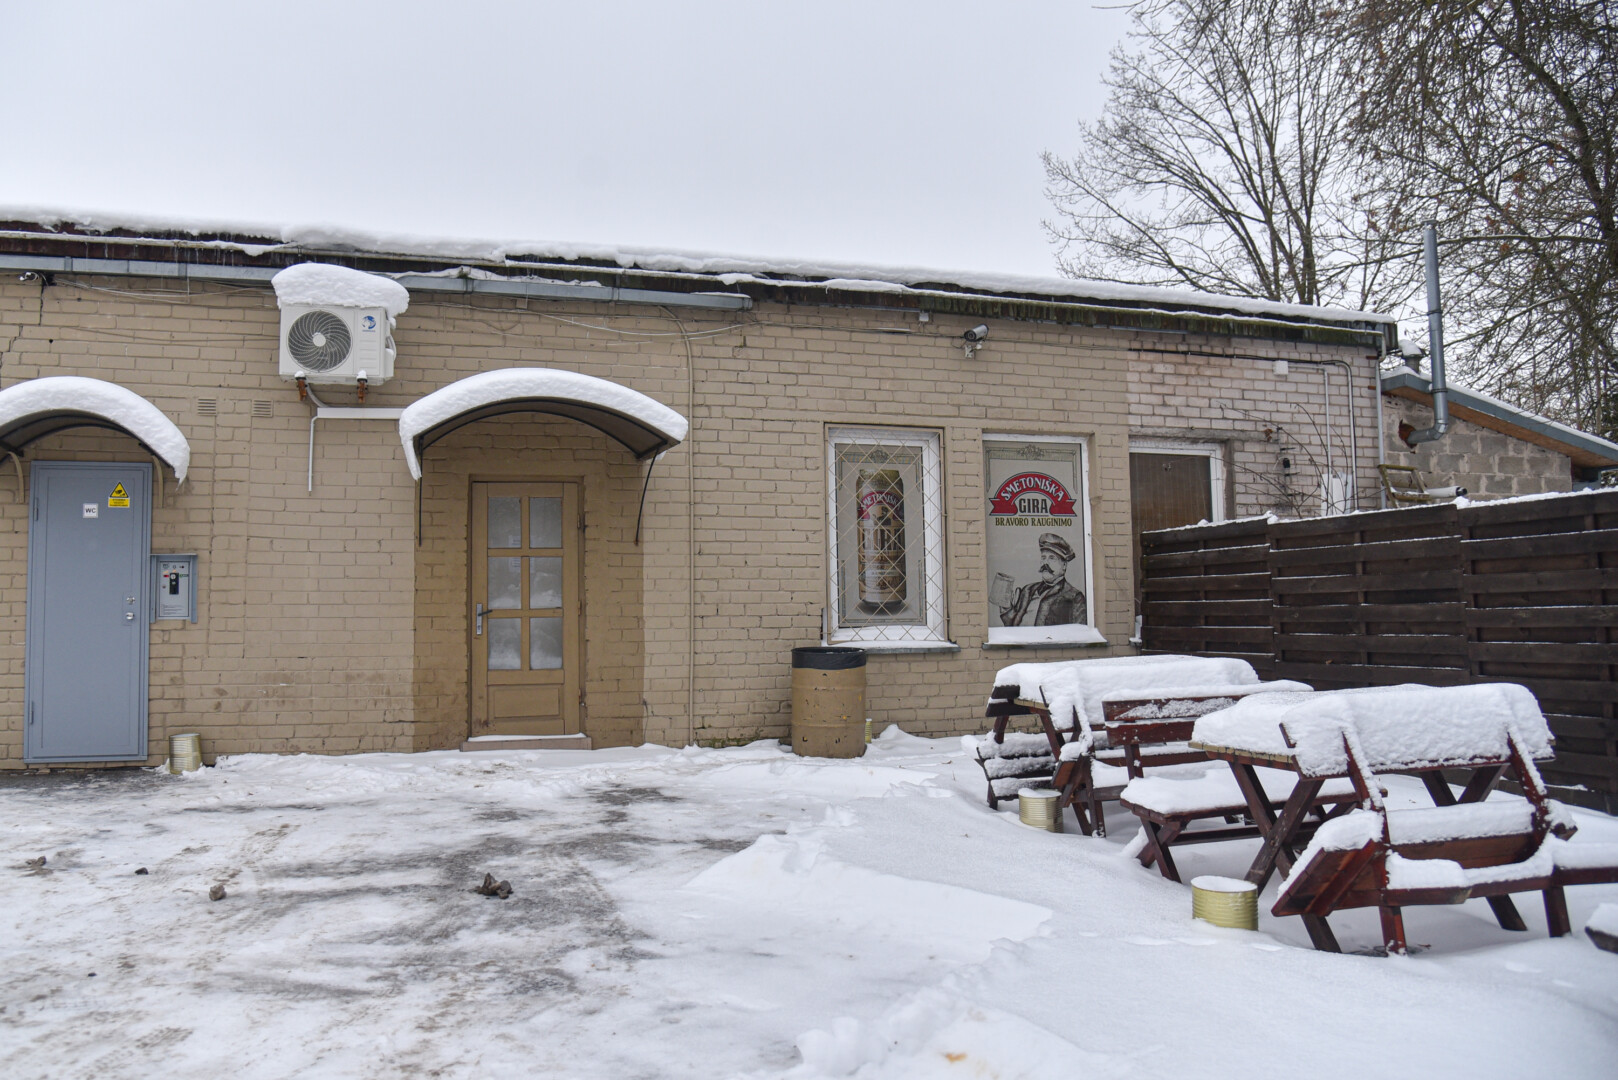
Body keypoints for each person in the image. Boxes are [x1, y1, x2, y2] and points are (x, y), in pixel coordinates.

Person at [999, 532, 1086, 627]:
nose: (1045, 563)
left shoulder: (1074, 596)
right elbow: (1013, 627)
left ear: (1064, 565)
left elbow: (1079, 632)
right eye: (1043, 557)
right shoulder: (1027, 589)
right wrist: (1007, 609)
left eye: (1052, 558)